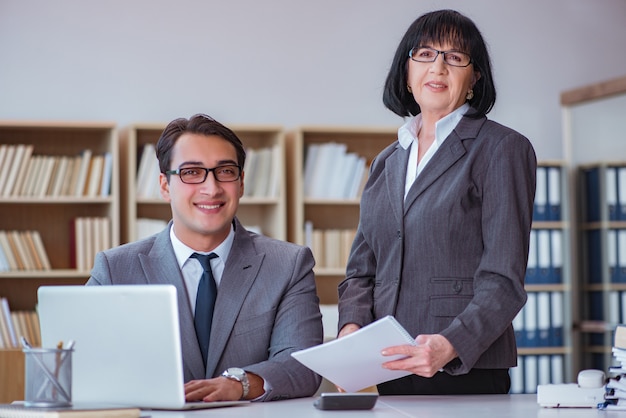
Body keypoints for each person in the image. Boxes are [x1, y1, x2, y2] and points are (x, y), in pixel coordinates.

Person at [337, 9, 536, 395]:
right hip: (390, 364)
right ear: (407, 71)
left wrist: (450, 345)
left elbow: (504, 279)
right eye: (425, 54)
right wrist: (351, 331)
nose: (439, 67)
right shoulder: (387, 160)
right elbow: (362, 270)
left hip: (464, 366)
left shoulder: (502, 149)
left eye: (455, 56)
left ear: (475, 76)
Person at [86, 113, 323, 402]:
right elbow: (85, 364)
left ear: (241, 183)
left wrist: (240, 384)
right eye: (191, 172)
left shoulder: (288, 264)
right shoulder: (115, 269)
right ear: (164, 185)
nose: (211, 188)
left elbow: (302, 365)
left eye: (225, 171)